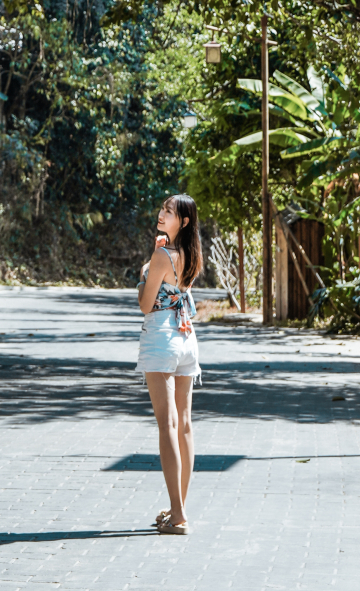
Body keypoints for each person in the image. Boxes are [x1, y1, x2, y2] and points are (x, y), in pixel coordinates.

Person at [136, 191, 203, 534]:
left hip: (162, 334)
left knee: (167, 426)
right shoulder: (192, 254)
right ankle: (179, 507)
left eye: (170, 211)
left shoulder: (162, 254)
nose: (162, 214)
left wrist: (146, 269)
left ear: (184, 221)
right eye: (162, 208)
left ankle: (178, 517)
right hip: (187, 337)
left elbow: (145, 304)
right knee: (186, 424)